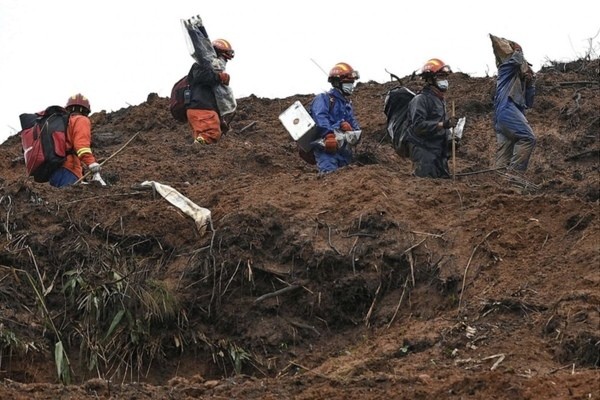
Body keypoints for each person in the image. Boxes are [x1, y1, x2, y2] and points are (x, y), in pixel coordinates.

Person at [403, 58, 460, 178]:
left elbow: (442, 124)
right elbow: (418, 126)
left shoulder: (440, 100)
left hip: (438, 149)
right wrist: (443, 125)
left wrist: (450, 138)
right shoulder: (420, 100)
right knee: (426, 185)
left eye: (445, 77)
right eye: (440, 77)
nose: (444, 81)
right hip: (423, 150)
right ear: (430, 79)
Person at [310, 62, 361, 174]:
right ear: (337, 82)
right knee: (330, 180)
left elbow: (355, 127)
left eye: (352, 83)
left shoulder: (347, 105)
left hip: (345, 153)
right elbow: (320, 117)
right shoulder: (323, 99)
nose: (351, 86)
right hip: (327, 150)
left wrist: (351, 129)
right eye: (348, 83)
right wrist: (328, 134)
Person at [493, 43, 536, 172]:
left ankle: (497, 184)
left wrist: (530, 83)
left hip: (505, 116)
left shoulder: (519, 81)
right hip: (506, 110)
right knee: (527, 138)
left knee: (505, 151)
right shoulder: (505, 69)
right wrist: (518, 51)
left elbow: (529, 103)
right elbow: (516, 60)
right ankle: (514, 176)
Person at [186, 38, 234, 145]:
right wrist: (219, 77)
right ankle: (195, 148)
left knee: (203, 138)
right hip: (201, 108)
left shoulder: (211, 68)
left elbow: (215, 97)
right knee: (211, 134)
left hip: (202, 108)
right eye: (223, 58)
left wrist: (221, 121)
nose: (224, 62)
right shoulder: (202, 63)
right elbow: (201, 76)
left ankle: (195, 154)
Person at [48, 94, 101, 188]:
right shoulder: (81, 120)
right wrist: (91, 163)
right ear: (85, 110)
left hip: (53, 170)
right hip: (69, 169)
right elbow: (81, 146)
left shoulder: (65, 122)